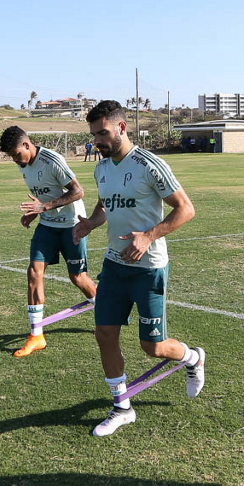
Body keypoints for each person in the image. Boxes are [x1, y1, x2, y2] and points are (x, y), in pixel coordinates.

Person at [71, 100, 203, 437]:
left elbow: (186, 209)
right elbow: (105, 205)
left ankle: (192, 358)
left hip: (148, 270)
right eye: (93, 135)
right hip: (114, 265)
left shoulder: (149, 165)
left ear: (121, 127)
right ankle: (122, 408)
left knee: (153, 348)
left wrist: (149, 235)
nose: (97, 141)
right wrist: (90, 224)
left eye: (102, 133)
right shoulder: (101, 168)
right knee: (105, 334)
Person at [0, 126, 97, 358]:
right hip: (47, 225)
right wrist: (36, 212)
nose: (15, 160)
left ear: (26, 145)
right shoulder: (24, 165)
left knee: (78, 278)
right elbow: (44, 195)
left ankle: (106, 311)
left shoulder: (52, 160)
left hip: (71, 225)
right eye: (11, 156)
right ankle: (37, 336)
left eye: (16, 154)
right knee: (34, 272)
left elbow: (78, 192)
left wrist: (43, 206)